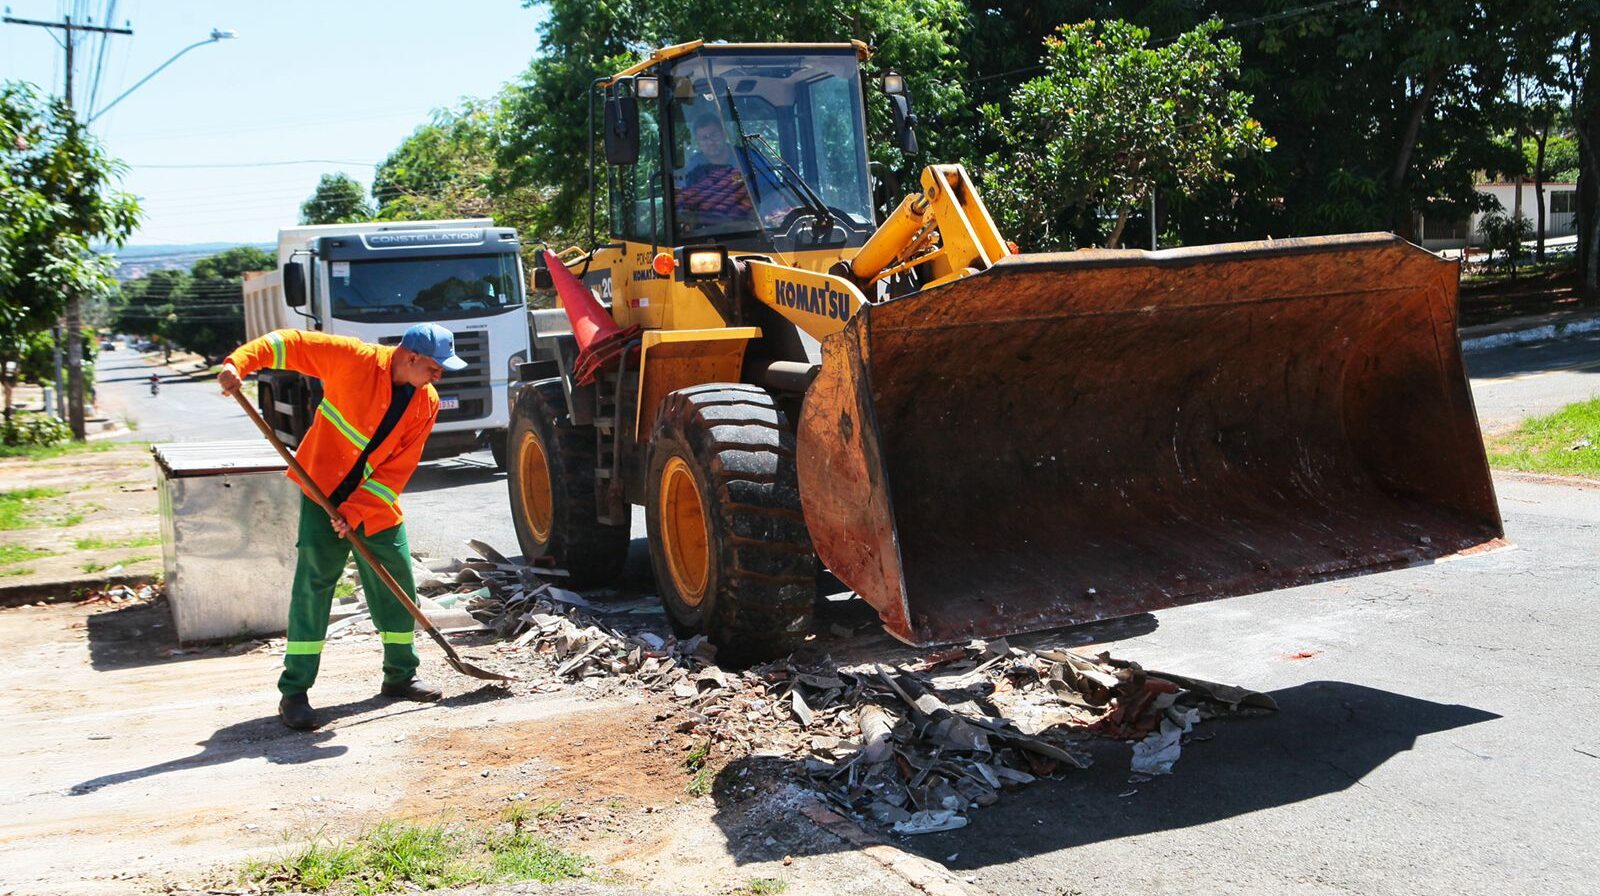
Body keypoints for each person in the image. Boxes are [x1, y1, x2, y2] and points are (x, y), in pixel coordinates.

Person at [218, 323, 466, 731]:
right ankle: (294, 692)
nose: (440, 375)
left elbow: (398, 469)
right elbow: (290, 344)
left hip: (373, 503)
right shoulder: (354, 359)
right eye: (435, 367)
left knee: (397, 580)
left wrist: (356, 510)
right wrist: (237, 363)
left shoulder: (427, 402)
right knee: (315, 584)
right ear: (410, 357)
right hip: (322, 492)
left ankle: (400, 675)